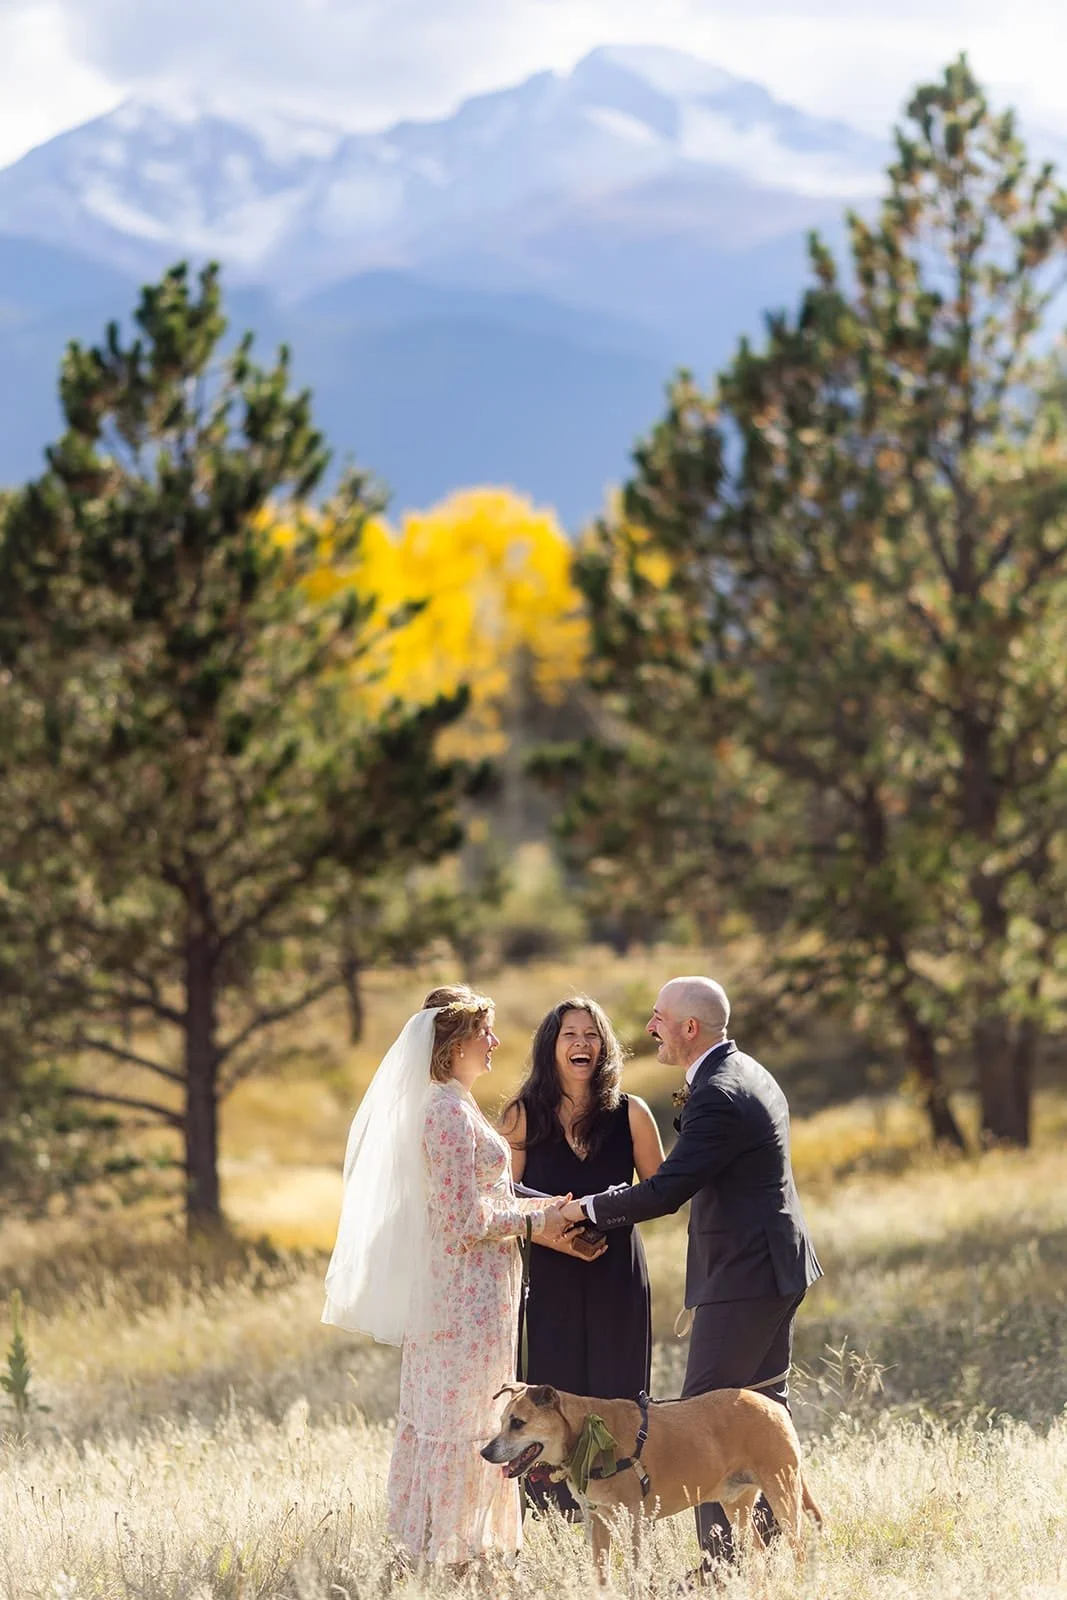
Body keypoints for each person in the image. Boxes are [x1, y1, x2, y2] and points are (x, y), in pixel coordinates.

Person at [561, 976, 822, 1580]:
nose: (649, 1027)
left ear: (689, 1028)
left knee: (707, 1415)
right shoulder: (749, 1071)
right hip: (773, 1267)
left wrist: (588, 1210)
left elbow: (671, 1188)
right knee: (760, 1408)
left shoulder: (719, 1092)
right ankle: (766, 1555)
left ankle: (717, 1567)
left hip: (746, 1275)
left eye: (658, 1018)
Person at [322, 983, 573, 1570]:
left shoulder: (450, 1104)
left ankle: (458, 1545)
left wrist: (541, 1208)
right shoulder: (443, 1112)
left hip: (474, 1290)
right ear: (454, 1042)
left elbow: (480, 1198)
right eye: (484, 1033)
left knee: (460, 1416)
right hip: (463, 1298)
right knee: (459, 1421)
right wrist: (540, 1220)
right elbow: (465, 1220)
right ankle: (451, 1550)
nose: (495, 1043)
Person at [501, 997, 664, 1516]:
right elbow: (500, 1200)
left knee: (619, 1393)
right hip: (550, 1278)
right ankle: (550, 1513)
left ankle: (617, 1507)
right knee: (552, 1393)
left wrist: (604, 1218)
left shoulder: (632, 1113)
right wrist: (554, 1229)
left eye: (592, 1034)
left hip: (619, 1275)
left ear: (606, 1047)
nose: (582, 1043)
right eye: (570, 1033)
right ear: (551, 1046)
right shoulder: (521, 1115)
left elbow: (662, 1193)